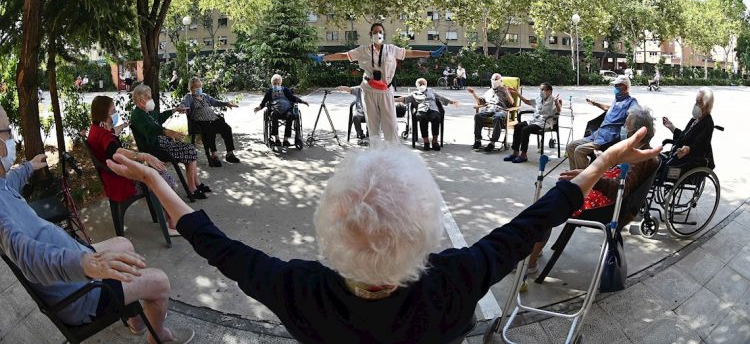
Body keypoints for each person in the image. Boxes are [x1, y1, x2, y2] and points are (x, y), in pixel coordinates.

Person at [108, 123, 660, 344]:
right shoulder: (456, 278)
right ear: (422, 234)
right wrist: (604, 162)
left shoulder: (296, 288)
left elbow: (212, 242)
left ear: (328, 228)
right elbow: (533, 223)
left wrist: (156, 179)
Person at [0, 150, 194, 343]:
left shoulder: (2, 188)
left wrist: (29, 166)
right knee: (159, 282)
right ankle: (158, 337)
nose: (10, 139)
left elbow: (10, 182)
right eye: (7, 130)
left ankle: (136, 320)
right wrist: (84, 263)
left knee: (123, 244)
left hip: (74, 264)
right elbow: (26, 256)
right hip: (78, 294)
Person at [526, 106, 660, 273]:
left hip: (608, 207)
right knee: (554, 197)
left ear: (637, 132)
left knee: (551, 205)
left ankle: (529, 263)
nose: (623, 129)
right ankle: (534, 248)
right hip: (607, 199)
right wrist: (600, 165)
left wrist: (593, 176)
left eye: (627, 125)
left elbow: (621, 188)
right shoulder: (641, 152)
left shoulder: (642, 159)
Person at [319, 23, 446, 143]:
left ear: (383, 34)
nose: (377, 34)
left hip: (386, 90)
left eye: (380, 32)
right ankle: (376, 154)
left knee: (390, 124)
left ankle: (392, 155)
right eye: (375, 32)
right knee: (373, 125)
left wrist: (429, 53)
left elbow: (409, 53)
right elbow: (344, 56)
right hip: (368, 90)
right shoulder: (363, 50)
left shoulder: (391, 49)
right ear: (370, 34)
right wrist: (324, 58)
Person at [87, 96, 181, 235]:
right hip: (122, 182)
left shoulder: (96, 129)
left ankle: (169, 217)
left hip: (112, 178)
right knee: (163, 176)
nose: (115, 112)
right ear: (104, 113)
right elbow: (115, 151)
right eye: (113, 110)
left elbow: (110, 136)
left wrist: (121, 127)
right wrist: (142, 155)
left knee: (157, 171)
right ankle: (172, 223)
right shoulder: (103, 135)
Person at [130, 84, 208, 200]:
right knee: (189, 150)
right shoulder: (137, 115)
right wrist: (166, 132)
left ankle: (196, 183)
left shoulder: (146, 111)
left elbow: (159, 117)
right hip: (154, 149)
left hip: (161, 143)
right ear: (140, 99)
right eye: (148, 97)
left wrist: (174, 110)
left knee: (189, 149)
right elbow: (149, 130)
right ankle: (192, 189)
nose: (151, 100)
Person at [567, 74, 638, 169]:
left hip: (608, 138)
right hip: (597, 134)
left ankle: (584, 178)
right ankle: (574, 175)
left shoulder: (631, 101)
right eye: (615, 86)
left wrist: (628, 119)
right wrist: (595, 103)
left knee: (579, 151)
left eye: (617, 86)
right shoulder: (616, 100)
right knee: (571, 146)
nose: (615, 88)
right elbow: (608, 108)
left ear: (625, 87)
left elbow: (635, 113)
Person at [180, 77, 240, 167]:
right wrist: (182, 108)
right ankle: (214, 156)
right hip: (199, 122)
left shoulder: (205, 96)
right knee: (209, 129)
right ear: (191, 88)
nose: (198, 88)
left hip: (212, 118)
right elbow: (184, 104)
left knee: (226, 128)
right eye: (196, 86)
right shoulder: (189, 97)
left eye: (200, 86)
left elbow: (215, 102)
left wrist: (226, 103)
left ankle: (230, 154)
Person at [504, 82, 562, 163]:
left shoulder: (553, 100)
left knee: (525, 129)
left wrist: (557, 103)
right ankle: (515, 153)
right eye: (540, 89)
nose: (541, 91)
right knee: (517, 126)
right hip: (534, 121)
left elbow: (559, 111)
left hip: (544, 123)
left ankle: (523, 155)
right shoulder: (538, 98)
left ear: (549, 91)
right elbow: (527, 101)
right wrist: (517, 93)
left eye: (543, 90)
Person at [395, 78, 459, 151]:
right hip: (422, 110)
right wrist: (393, 99)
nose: (422, 85)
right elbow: (404, 99)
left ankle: (435, 141)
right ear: (417, 86)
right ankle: (426, 142)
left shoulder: (431, 91)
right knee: (422, 118)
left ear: (426, 85)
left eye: (423, 84)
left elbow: (440, 98)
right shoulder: (415, 93)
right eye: (420, 84)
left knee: (436, 117)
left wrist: (452, 102)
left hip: (433, 109)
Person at [662, 87, 715, 169]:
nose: (695, 105)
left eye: (698, 102)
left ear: (706, 106)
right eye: (696, 102)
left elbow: (700, 146)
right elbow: (684, 136)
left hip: (690, 161)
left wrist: (688, 149)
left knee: (661, 166)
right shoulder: (694, 119)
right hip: (678, 155)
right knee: (656, 159)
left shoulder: (708, 123)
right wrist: (671, 126)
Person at [254, 74, 309, 150]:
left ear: (281, 83)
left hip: (287, 109)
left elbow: (292, 98)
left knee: (290, 116)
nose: (276, 85)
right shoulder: (269, 91)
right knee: (273, 114)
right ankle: (277, 139)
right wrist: (259, 107)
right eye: (275, 84)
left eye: (278, 84)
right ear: (272, 84)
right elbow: (264, 102)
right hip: (275, 109)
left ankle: (286, 140)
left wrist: (302, 101)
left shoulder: (285, 90)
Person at [467, 73, 514, 152]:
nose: (494, 81)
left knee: (498, 117)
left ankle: (492, 142)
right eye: (493, 79)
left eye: (496, 79)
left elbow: (512, 102)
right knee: (478, 116)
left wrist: (506, 91)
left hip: (501, 109)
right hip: (489, 108)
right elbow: (480, 102)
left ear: (500, 81)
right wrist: (473, 93)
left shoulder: (504, 90)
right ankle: (478, 140)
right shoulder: (488, 91)